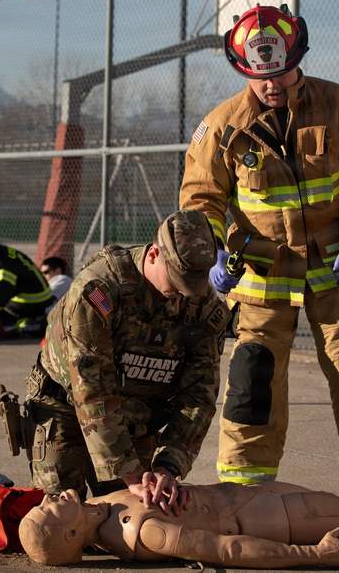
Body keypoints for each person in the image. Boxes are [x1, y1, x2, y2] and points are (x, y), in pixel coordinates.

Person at [179, 4, 339, 495]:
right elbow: (200, 199)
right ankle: (244, 488)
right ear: (242, 69)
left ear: (297, 58)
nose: (272, 85)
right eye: (259, 76)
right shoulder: (221, 126)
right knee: (252, 378)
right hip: (261, 277)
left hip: (336, 270)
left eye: (281, 73)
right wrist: (214, 251)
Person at [23, 209, 230, 509]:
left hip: (135, 418)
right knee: (59, 522)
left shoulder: (201, 305)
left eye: (192, 286)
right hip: (65, 409)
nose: (183, 295)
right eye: (177, 281)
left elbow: (199, 396)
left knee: (142, 516)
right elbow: (92, 390)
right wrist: (129, 472)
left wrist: (168, 466)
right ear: (154, 254)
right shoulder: (99, 291)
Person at [19, 461, 339, 568]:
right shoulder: (142, 533)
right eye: (50, 512)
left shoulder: (101, 508)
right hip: (270, 521)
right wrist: (316, 554)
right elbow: (224, 550)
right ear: (70, 536)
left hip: (248, 495)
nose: (50, 499)